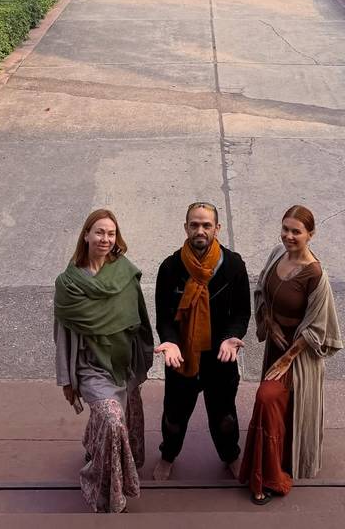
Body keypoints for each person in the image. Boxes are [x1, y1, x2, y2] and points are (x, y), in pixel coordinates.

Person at [239, 206, 342, 505]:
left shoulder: (315, 274)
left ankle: (269, 476)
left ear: (311, 234)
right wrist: (268, 321)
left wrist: (287, 358)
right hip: (275, 345)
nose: (288, 236)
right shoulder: (277, 254)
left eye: (296, 231)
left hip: (298, 357)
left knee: (267, 398)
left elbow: (317, 328)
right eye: (285, 229)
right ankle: (276, 461)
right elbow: (262, 289)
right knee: (278, 408)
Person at [54, 209, 154, 513]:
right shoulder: (68, 283)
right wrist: (66, 379)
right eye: (99, 232)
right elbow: (62, 334)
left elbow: (139, 318)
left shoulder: (125, 273)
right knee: (112, 421)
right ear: (86, 235)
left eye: (111, 233)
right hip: (90, 368)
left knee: (124, 423)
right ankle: (104, 489)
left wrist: (145, 357)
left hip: (123, 365)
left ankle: (93, 446)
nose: (105, 239)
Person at [153, 202, 250, 481]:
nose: (200, 230)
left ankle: (231, 455)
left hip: (220, 357)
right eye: (194, 225)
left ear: (217, 228)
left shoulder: (233, 265)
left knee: (225, 416)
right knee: (174, 416)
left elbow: (242, 312)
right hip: (182, 356)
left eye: (207, 225)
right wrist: (170, 341)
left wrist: (232, 337)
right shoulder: (170, 267)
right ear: (186, 228)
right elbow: (164, 317)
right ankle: (168, 455)